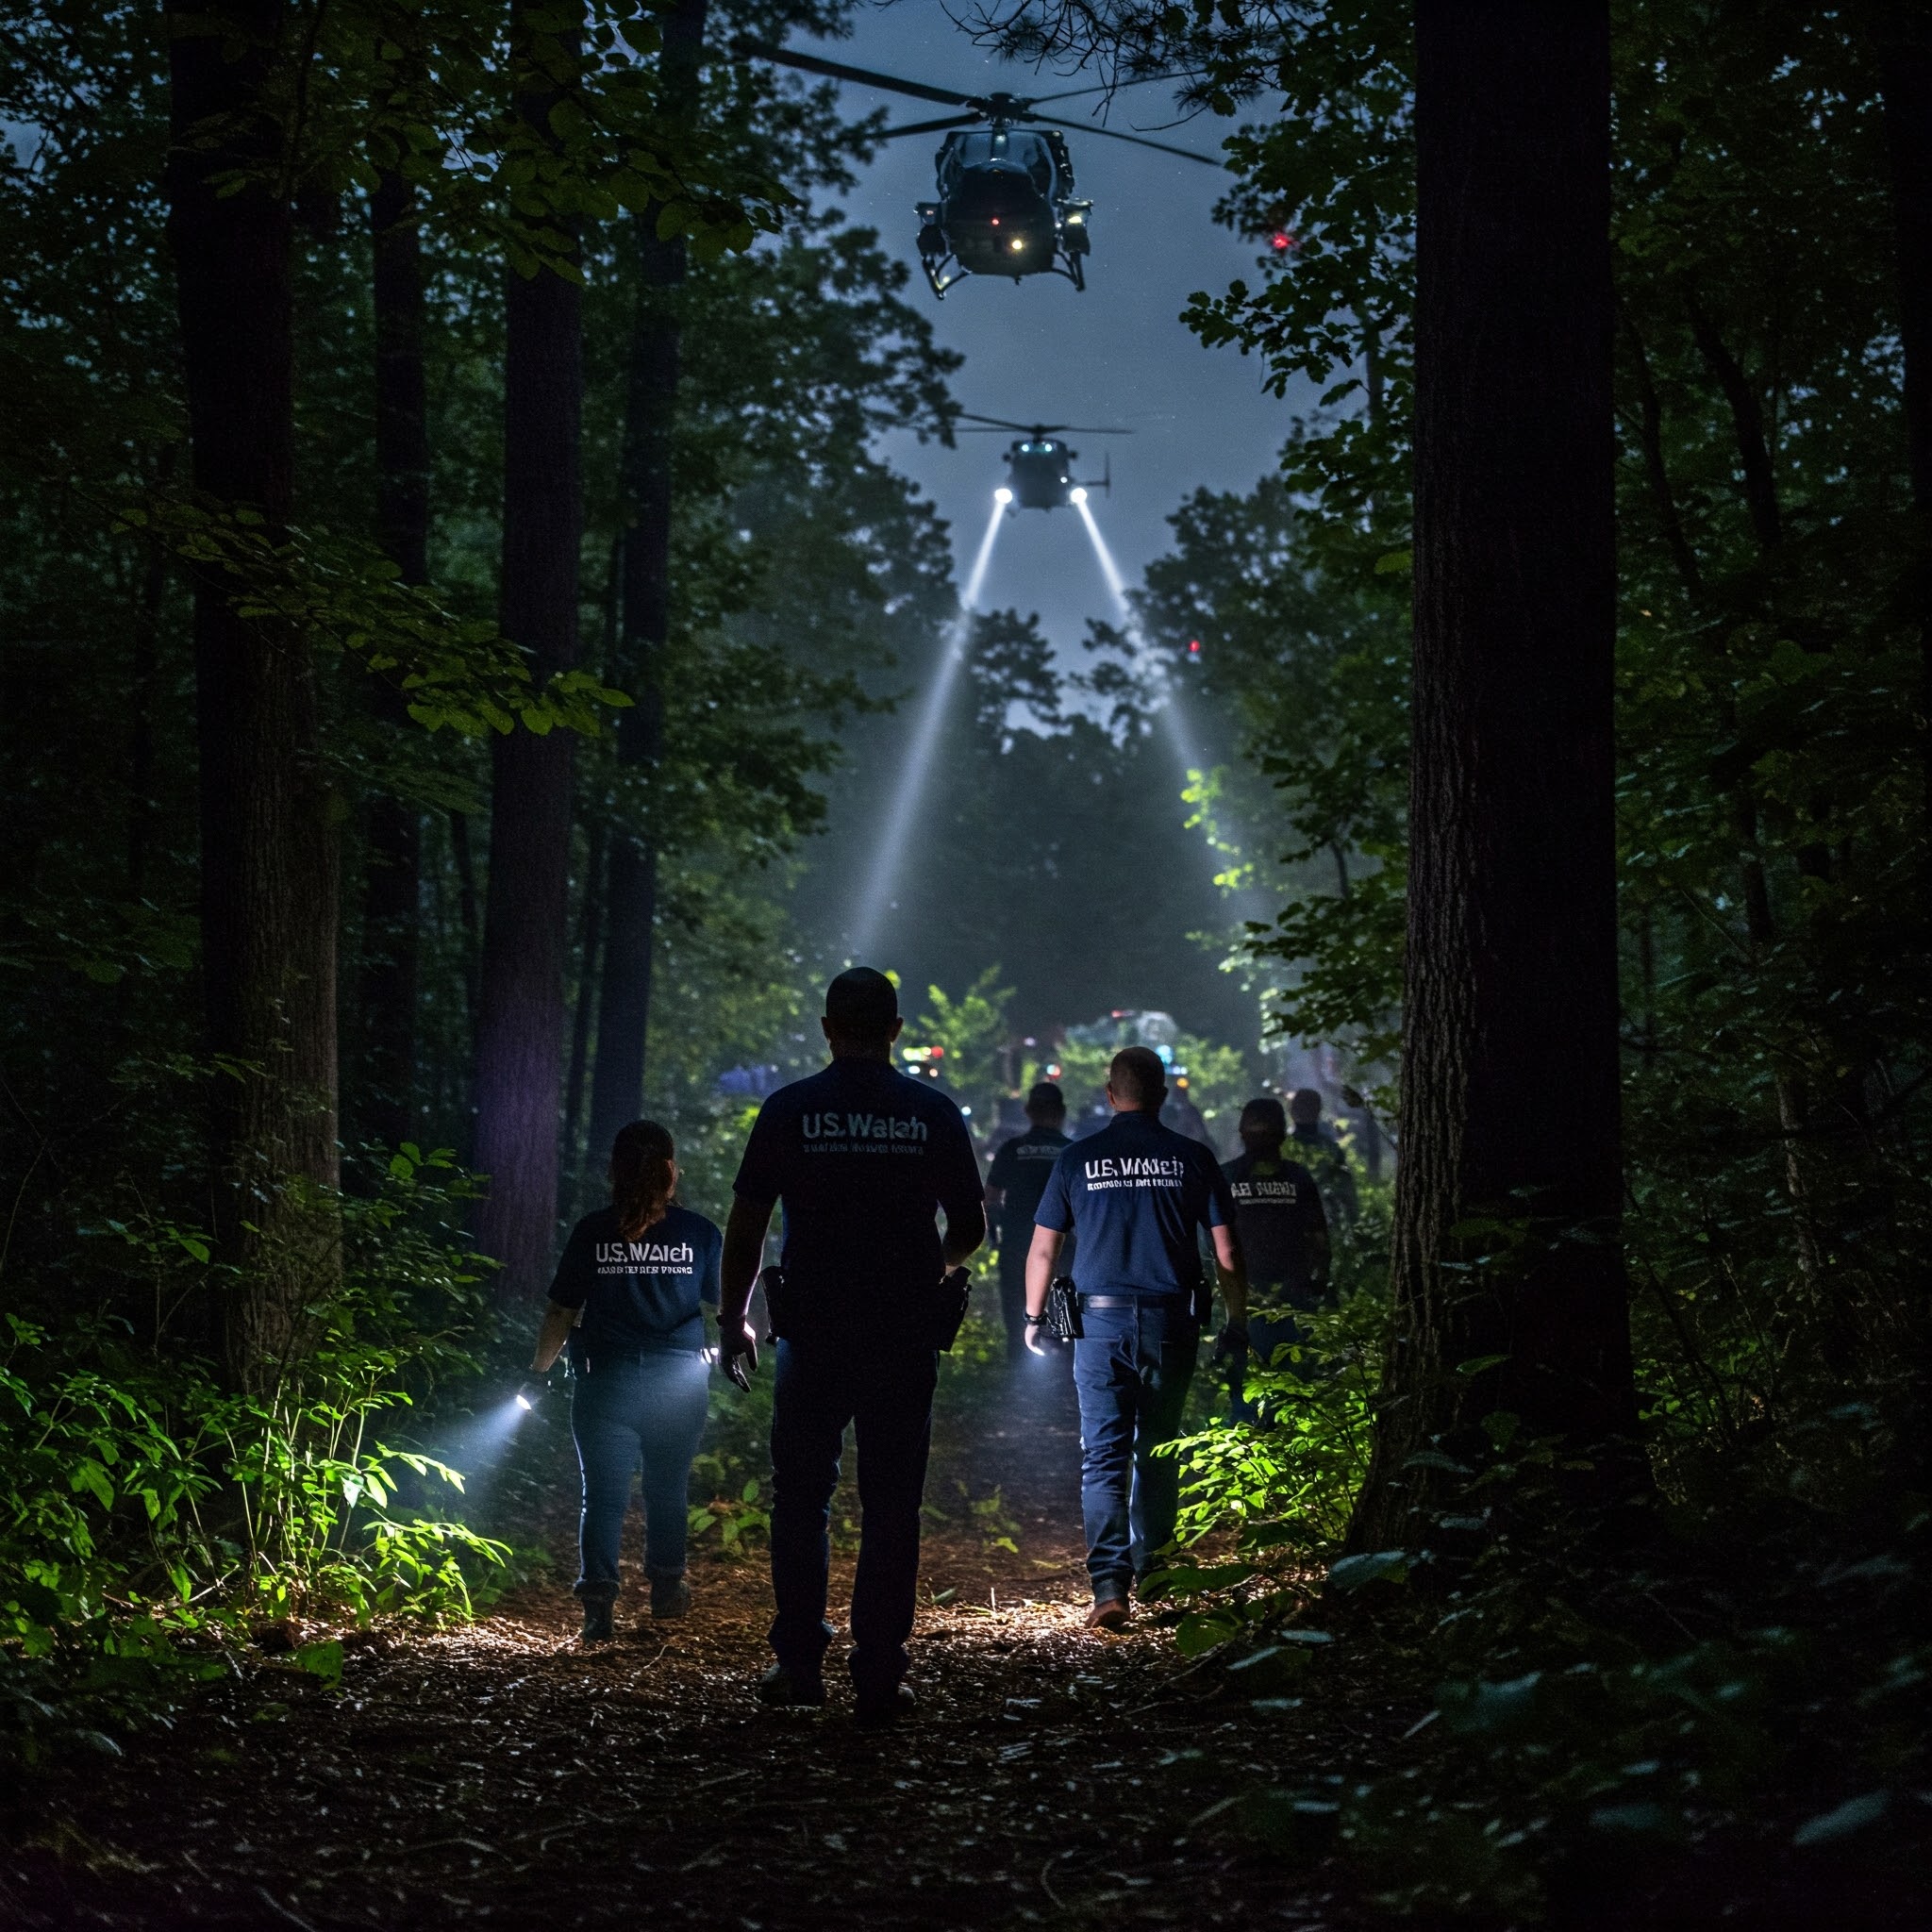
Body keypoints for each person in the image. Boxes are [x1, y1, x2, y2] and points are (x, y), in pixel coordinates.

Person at [717, 967, 985, 1726]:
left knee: (802, 1496)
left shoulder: (790, 1109)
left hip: (815, 1331)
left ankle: (799, 1663)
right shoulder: (932, 1113)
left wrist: (733, 1319)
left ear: (829, 1028)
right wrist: (931, 1266)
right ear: (896, 1030)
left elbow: (747, 1224)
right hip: (903, 1334)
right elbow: (969, 1228)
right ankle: (879, 1673)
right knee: (892, 1503)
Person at [1024, 1045, 1247, 1631]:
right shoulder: (1193, 1157)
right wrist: (1237, 1321)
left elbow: (1044, 1246)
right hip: (1173, 1324)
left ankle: (1109, 1588)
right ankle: (1158, 1570)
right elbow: (1226, 1252)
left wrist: (1032, 1316)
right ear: (1164, 1094)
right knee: (1159, 1448)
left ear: (1109, 1094)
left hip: (1099, 1326)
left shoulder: (1077, 1159)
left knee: (1103, 1455)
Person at [529, 1120, 721, 1643]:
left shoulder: (593, 1231)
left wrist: (537, 1373)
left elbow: (561, 1310)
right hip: (679, 1385)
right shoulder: (700, 1233)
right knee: (667, 1490)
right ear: (669, 1171)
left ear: (613, 1170)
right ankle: (665, 1591)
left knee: (603, 1496)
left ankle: (598, 1607)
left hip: (604, 1383)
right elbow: (724, 1306)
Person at [1221, 1097, 1331, 1420]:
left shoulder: (1227, 1178)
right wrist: (1317, 1289)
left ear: (1242, 1133)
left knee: (1243, 1389)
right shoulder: (1298, 1178)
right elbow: (1320, 1242)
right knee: (1291, 1392)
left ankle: (1245, 1455)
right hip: (1289, 1301)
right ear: (1284, 1134)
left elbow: (1211, 1246)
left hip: (1244, 1304)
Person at [984, 1082, 1073, 1361]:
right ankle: (1062, 1358)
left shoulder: (1012, 1149)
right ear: (1062, 1112)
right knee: (1064, 1302)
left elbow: (991, 1198)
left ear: (1028, 1111)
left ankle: (1019, 1360)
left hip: (1016, 1243)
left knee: (1015, 1304)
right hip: (1064, 1244)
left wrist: (994, 1233)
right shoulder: (1072, 1152)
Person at [1289, 1088, 1359, 1231]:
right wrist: (1354, 1222)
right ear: (1319, 1111)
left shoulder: (1282, 1148)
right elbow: (1347, 1194)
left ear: (1292, 1111)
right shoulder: (1331, 1148)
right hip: (1325, 1224)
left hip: (1297, 1225)